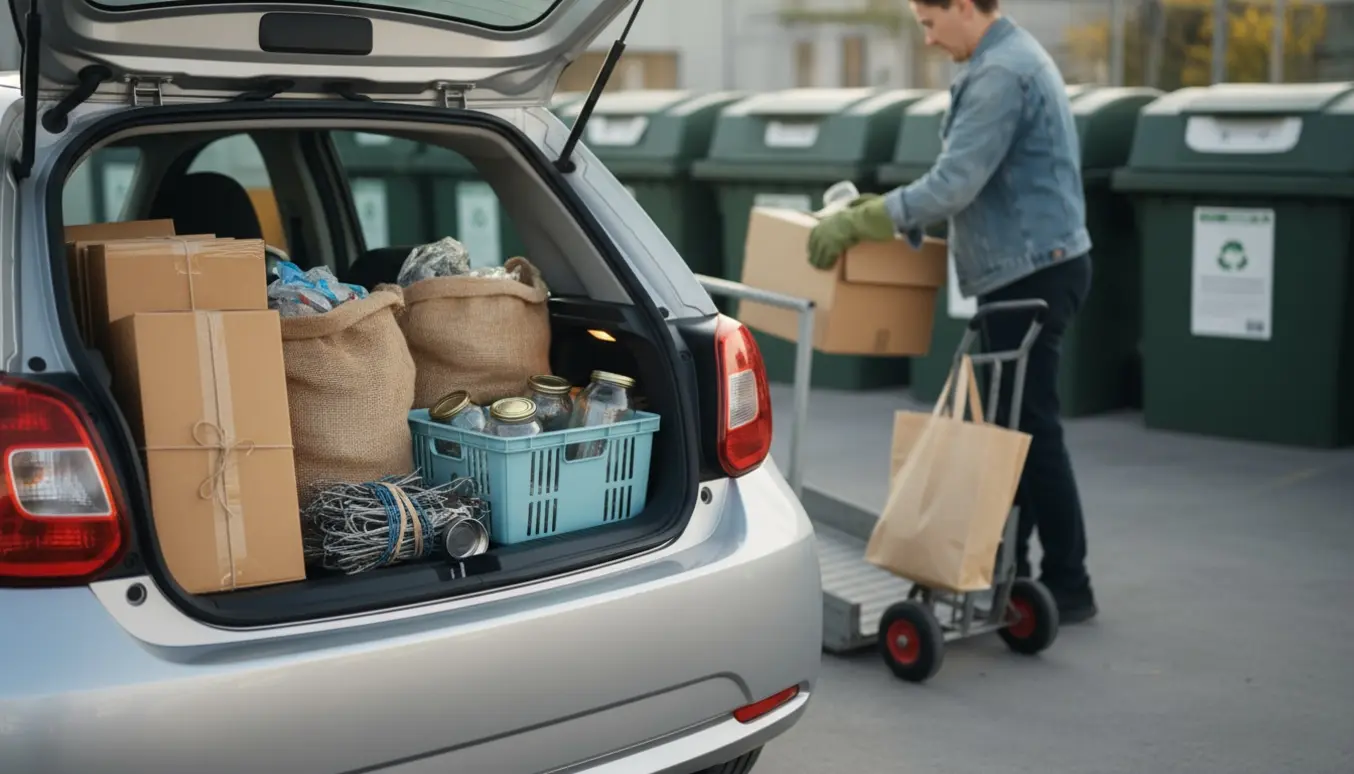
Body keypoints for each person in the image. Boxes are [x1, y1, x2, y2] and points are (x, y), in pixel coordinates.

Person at [806, 0, 1097, 624]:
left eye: (930, 23)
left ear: (963, 7)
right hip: (1033, 266)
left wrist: (867, 219)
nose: (930, 39)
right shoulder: (1002, 59)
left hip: (1032, 272)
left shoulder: (1001, 74)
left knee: (1028, 432)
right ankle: (1009, 571)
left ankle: (1068, 582)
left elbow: (954, 184)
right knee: (1010, 431)